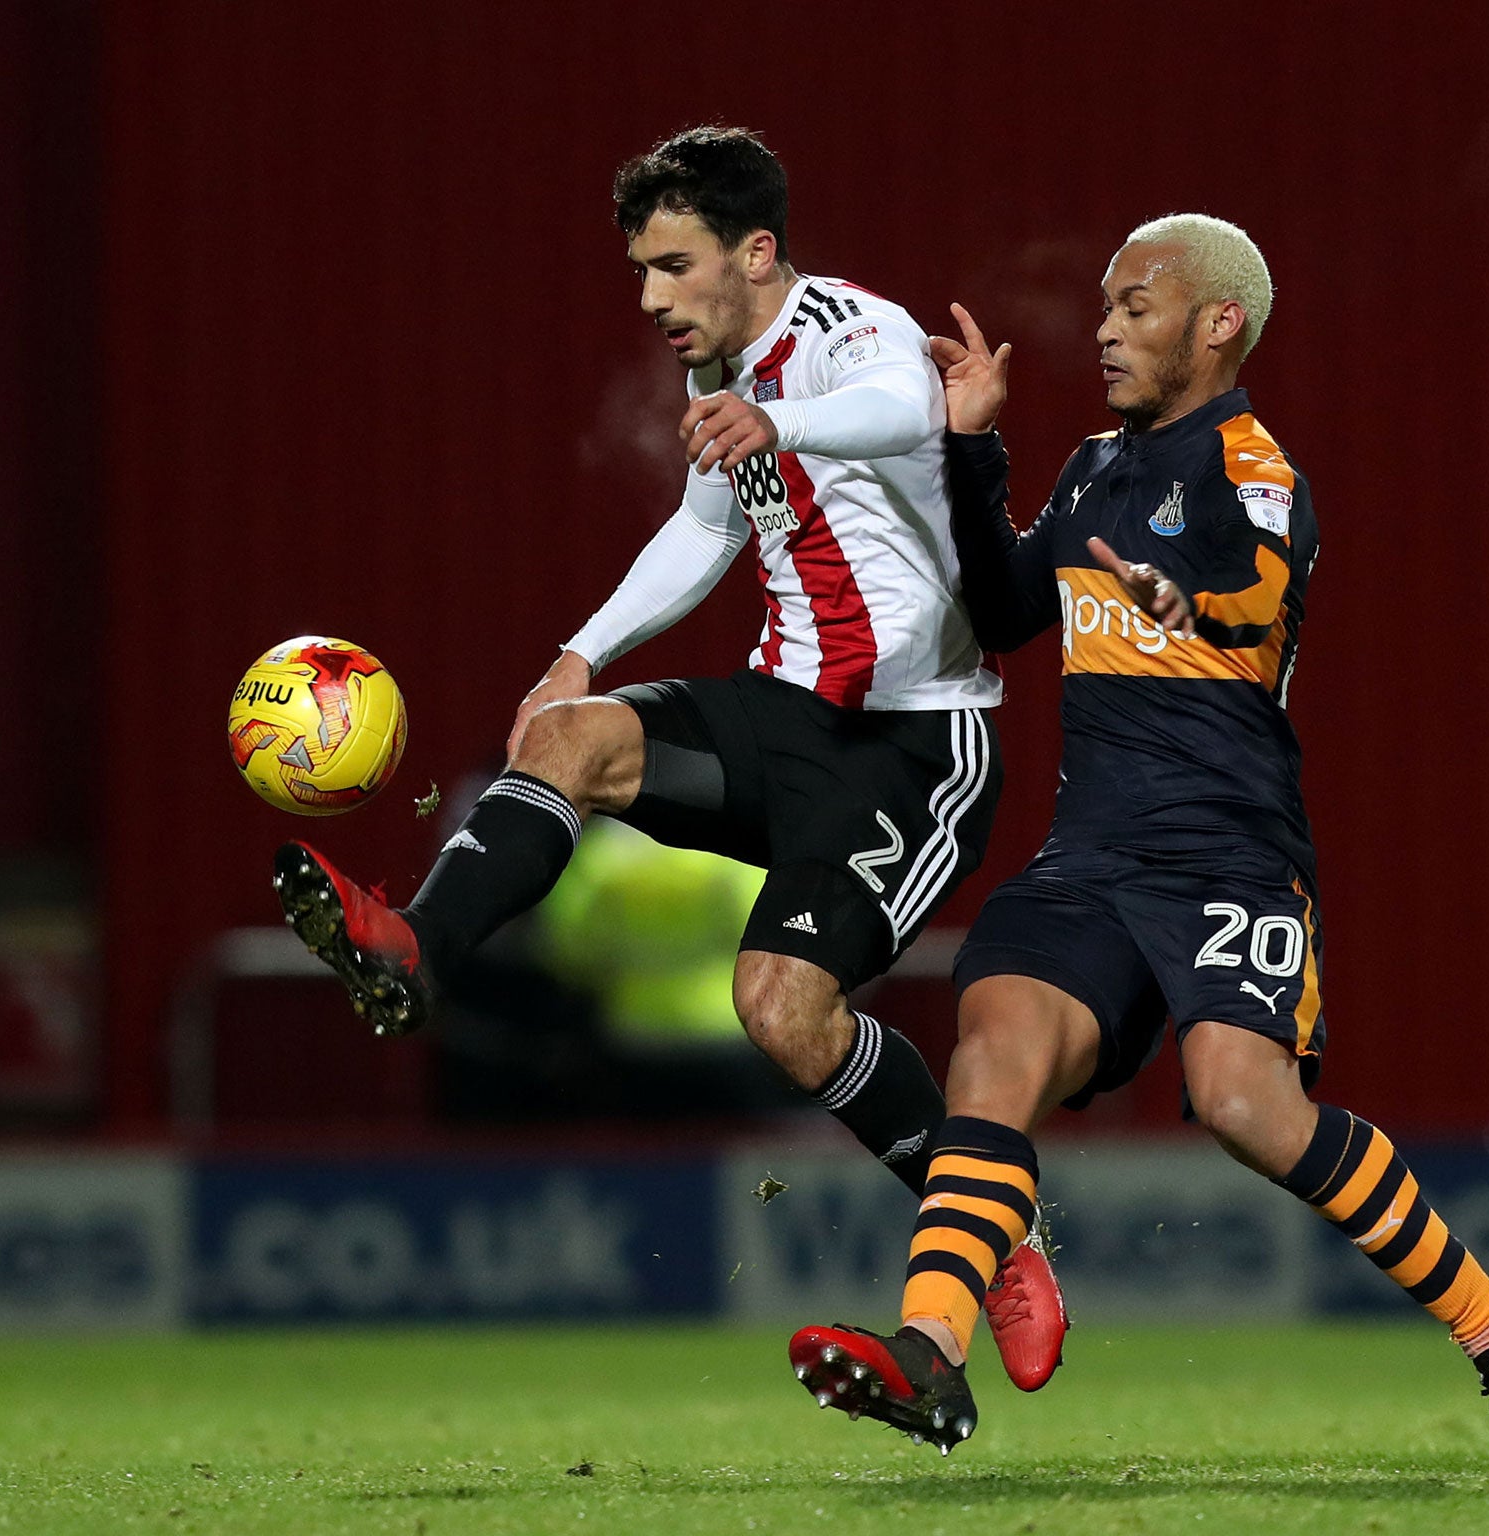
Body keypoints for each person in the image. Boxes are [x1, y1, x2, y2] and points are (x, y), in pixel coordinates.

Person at [788, 214, 1489, 1476]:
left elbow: (1260, 590)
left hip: (1223, 849)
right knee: (992, 1048)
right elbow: (1002, 609)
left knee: (1241, 1105)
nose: (1104, 328)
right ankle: (930, 1351)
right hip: (1090, 855)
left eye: (1135, 306)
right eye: (1104, 306)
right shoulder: (1093, 466)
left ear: (1217, 323)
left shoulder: (1249, 461)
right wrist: (973, 444)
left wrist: (1186, 601)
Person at [270, 126, 1066, 1389]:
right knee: (569, 740)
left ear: (755, 252)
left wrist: (773, 414)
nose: (649, 298)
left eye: (673, 265)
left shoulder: (851, 332)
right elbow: (699, 535)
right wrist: (578, 654)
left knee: (781, 1009)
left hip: (914, 749)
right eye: (639, 268)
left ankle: (995, 1234)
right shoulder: (729, 385)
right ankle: (416, 953)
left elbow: (903, 407)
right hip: (780, 717)